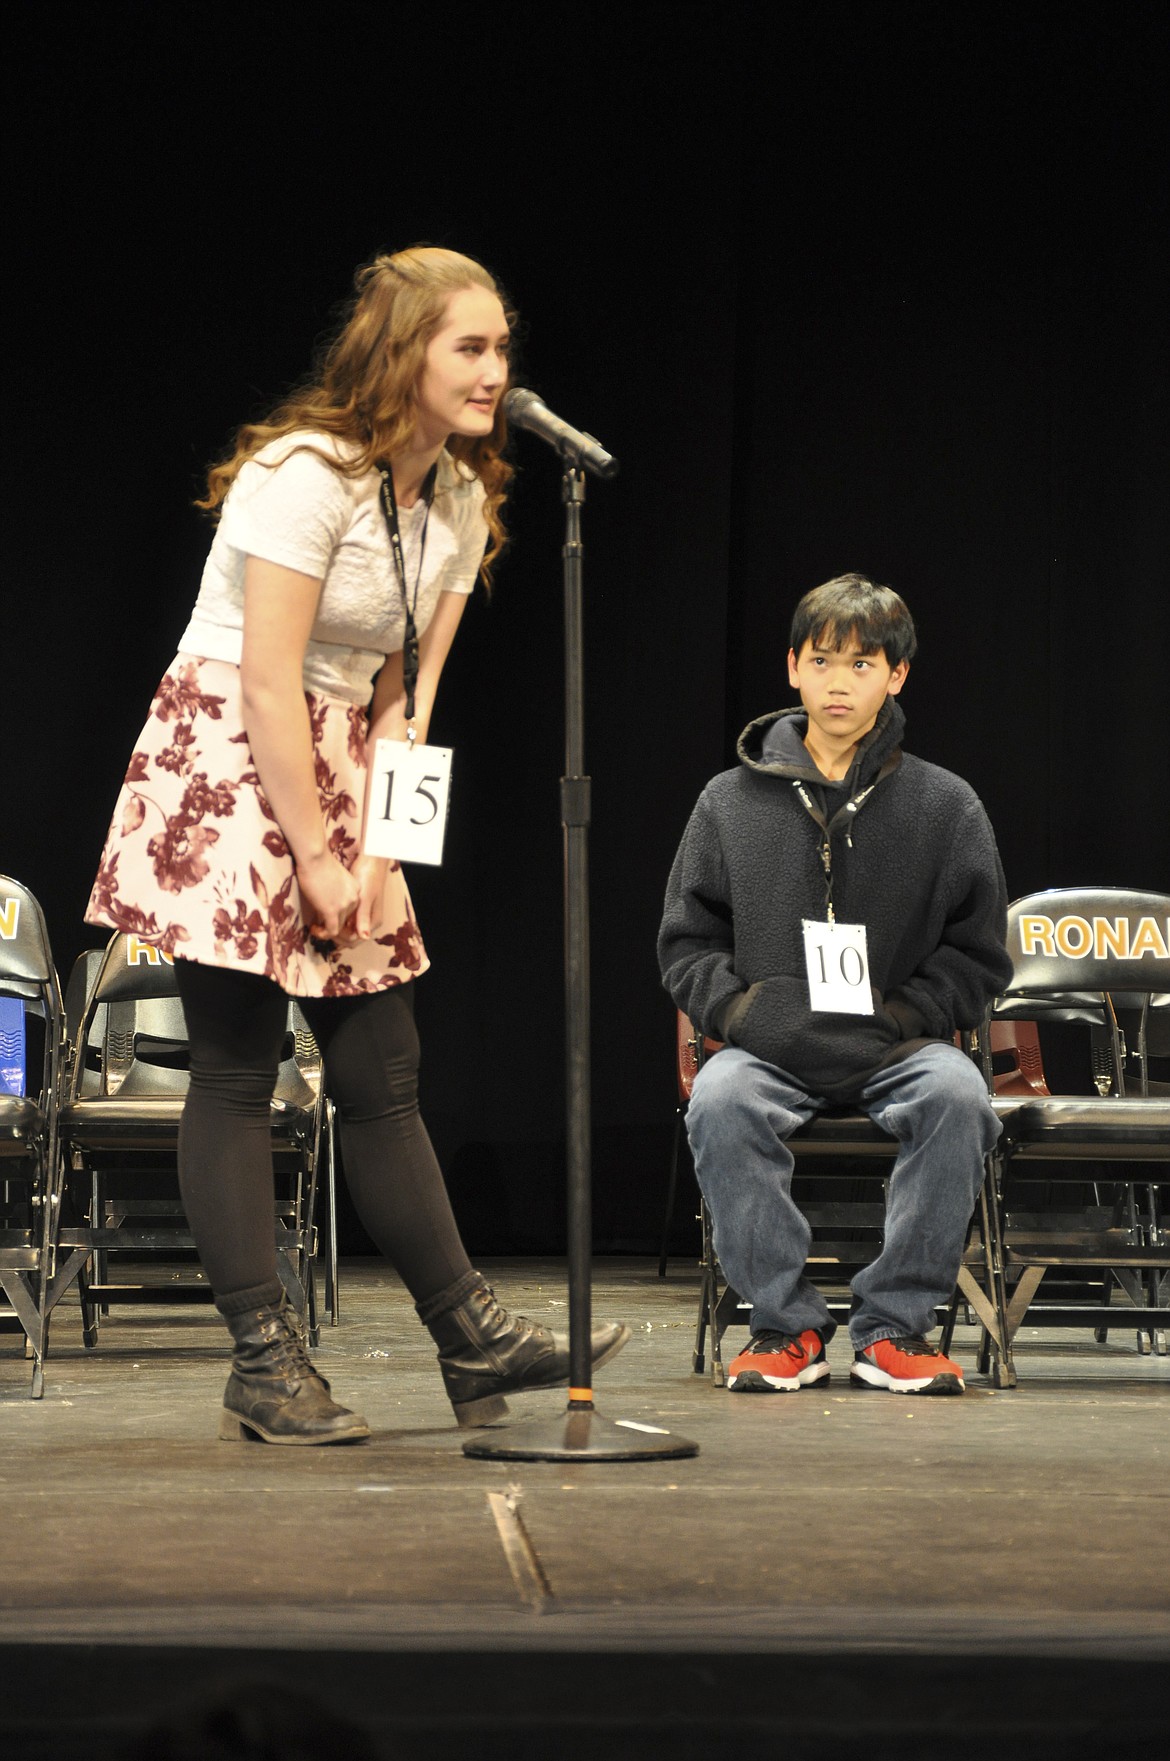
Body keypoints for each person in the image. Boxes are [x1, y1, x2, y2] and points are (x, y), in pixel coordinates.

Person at [86, 246, 628, 1443]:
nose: (496, 371)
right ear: (404, 355)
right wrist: (317, 860)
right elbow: (269, 681)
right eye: (469, 348)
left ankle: (471, 1340)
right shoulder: (303, 474)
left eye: (501, 348)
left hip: (343, 766)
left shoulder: (459, 500)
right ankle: (262, 1359)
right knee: (236, 1066)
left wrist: (381, 861)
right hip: (231, 753)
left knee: (383, 1072)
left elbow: (407, 704)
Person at [658, 574, 1011, 1395]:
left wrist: (907, 1013)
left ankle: (892, 1326)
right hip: (769, 1046)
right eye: (823, 660)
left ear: (897, 676)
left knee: (959, 1096)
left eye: (863, 663)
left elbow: (979, 951)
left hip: (897, 1046)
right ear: (792, 669)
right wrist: (742, 1011)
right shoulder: (728, 801)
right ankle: (786, 1326)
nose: (840, 681)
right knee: (720, 1098)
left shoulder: (946, 805)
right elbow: (685, 942)